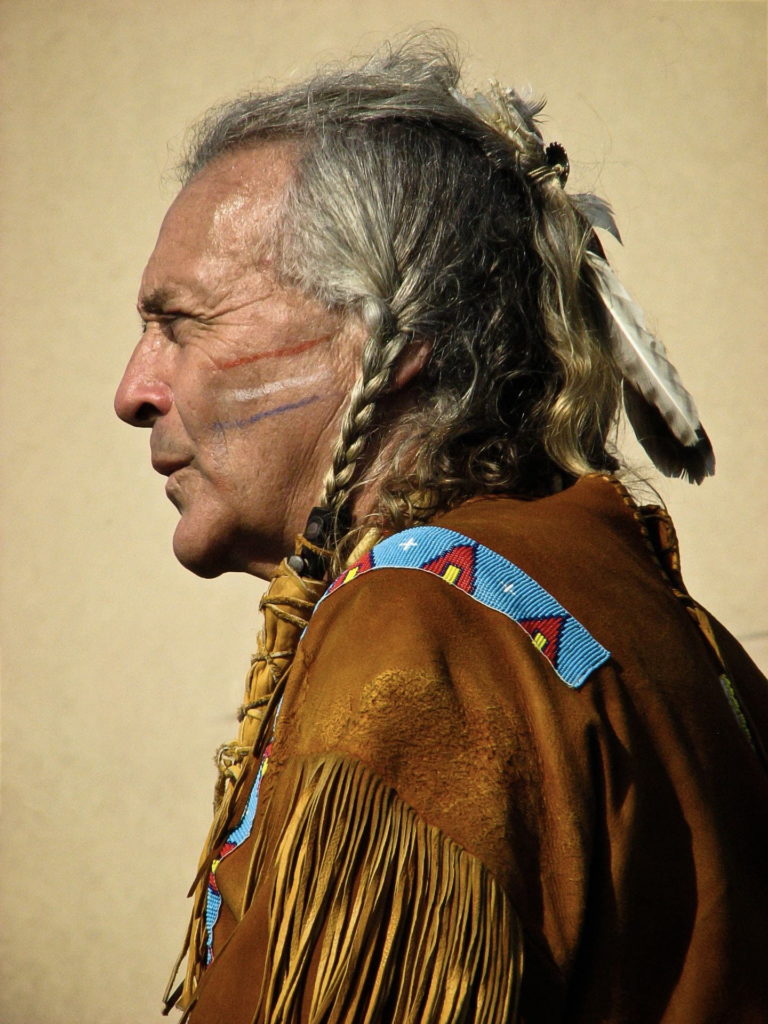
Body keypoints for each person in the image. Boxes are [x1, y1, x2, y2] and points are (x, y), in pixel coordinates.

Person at [115, 37, 768, 1024]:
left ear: (382, 338)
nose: (133, 391)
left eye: (182, 321)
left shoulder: (419, 633)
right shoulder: (666, 625)